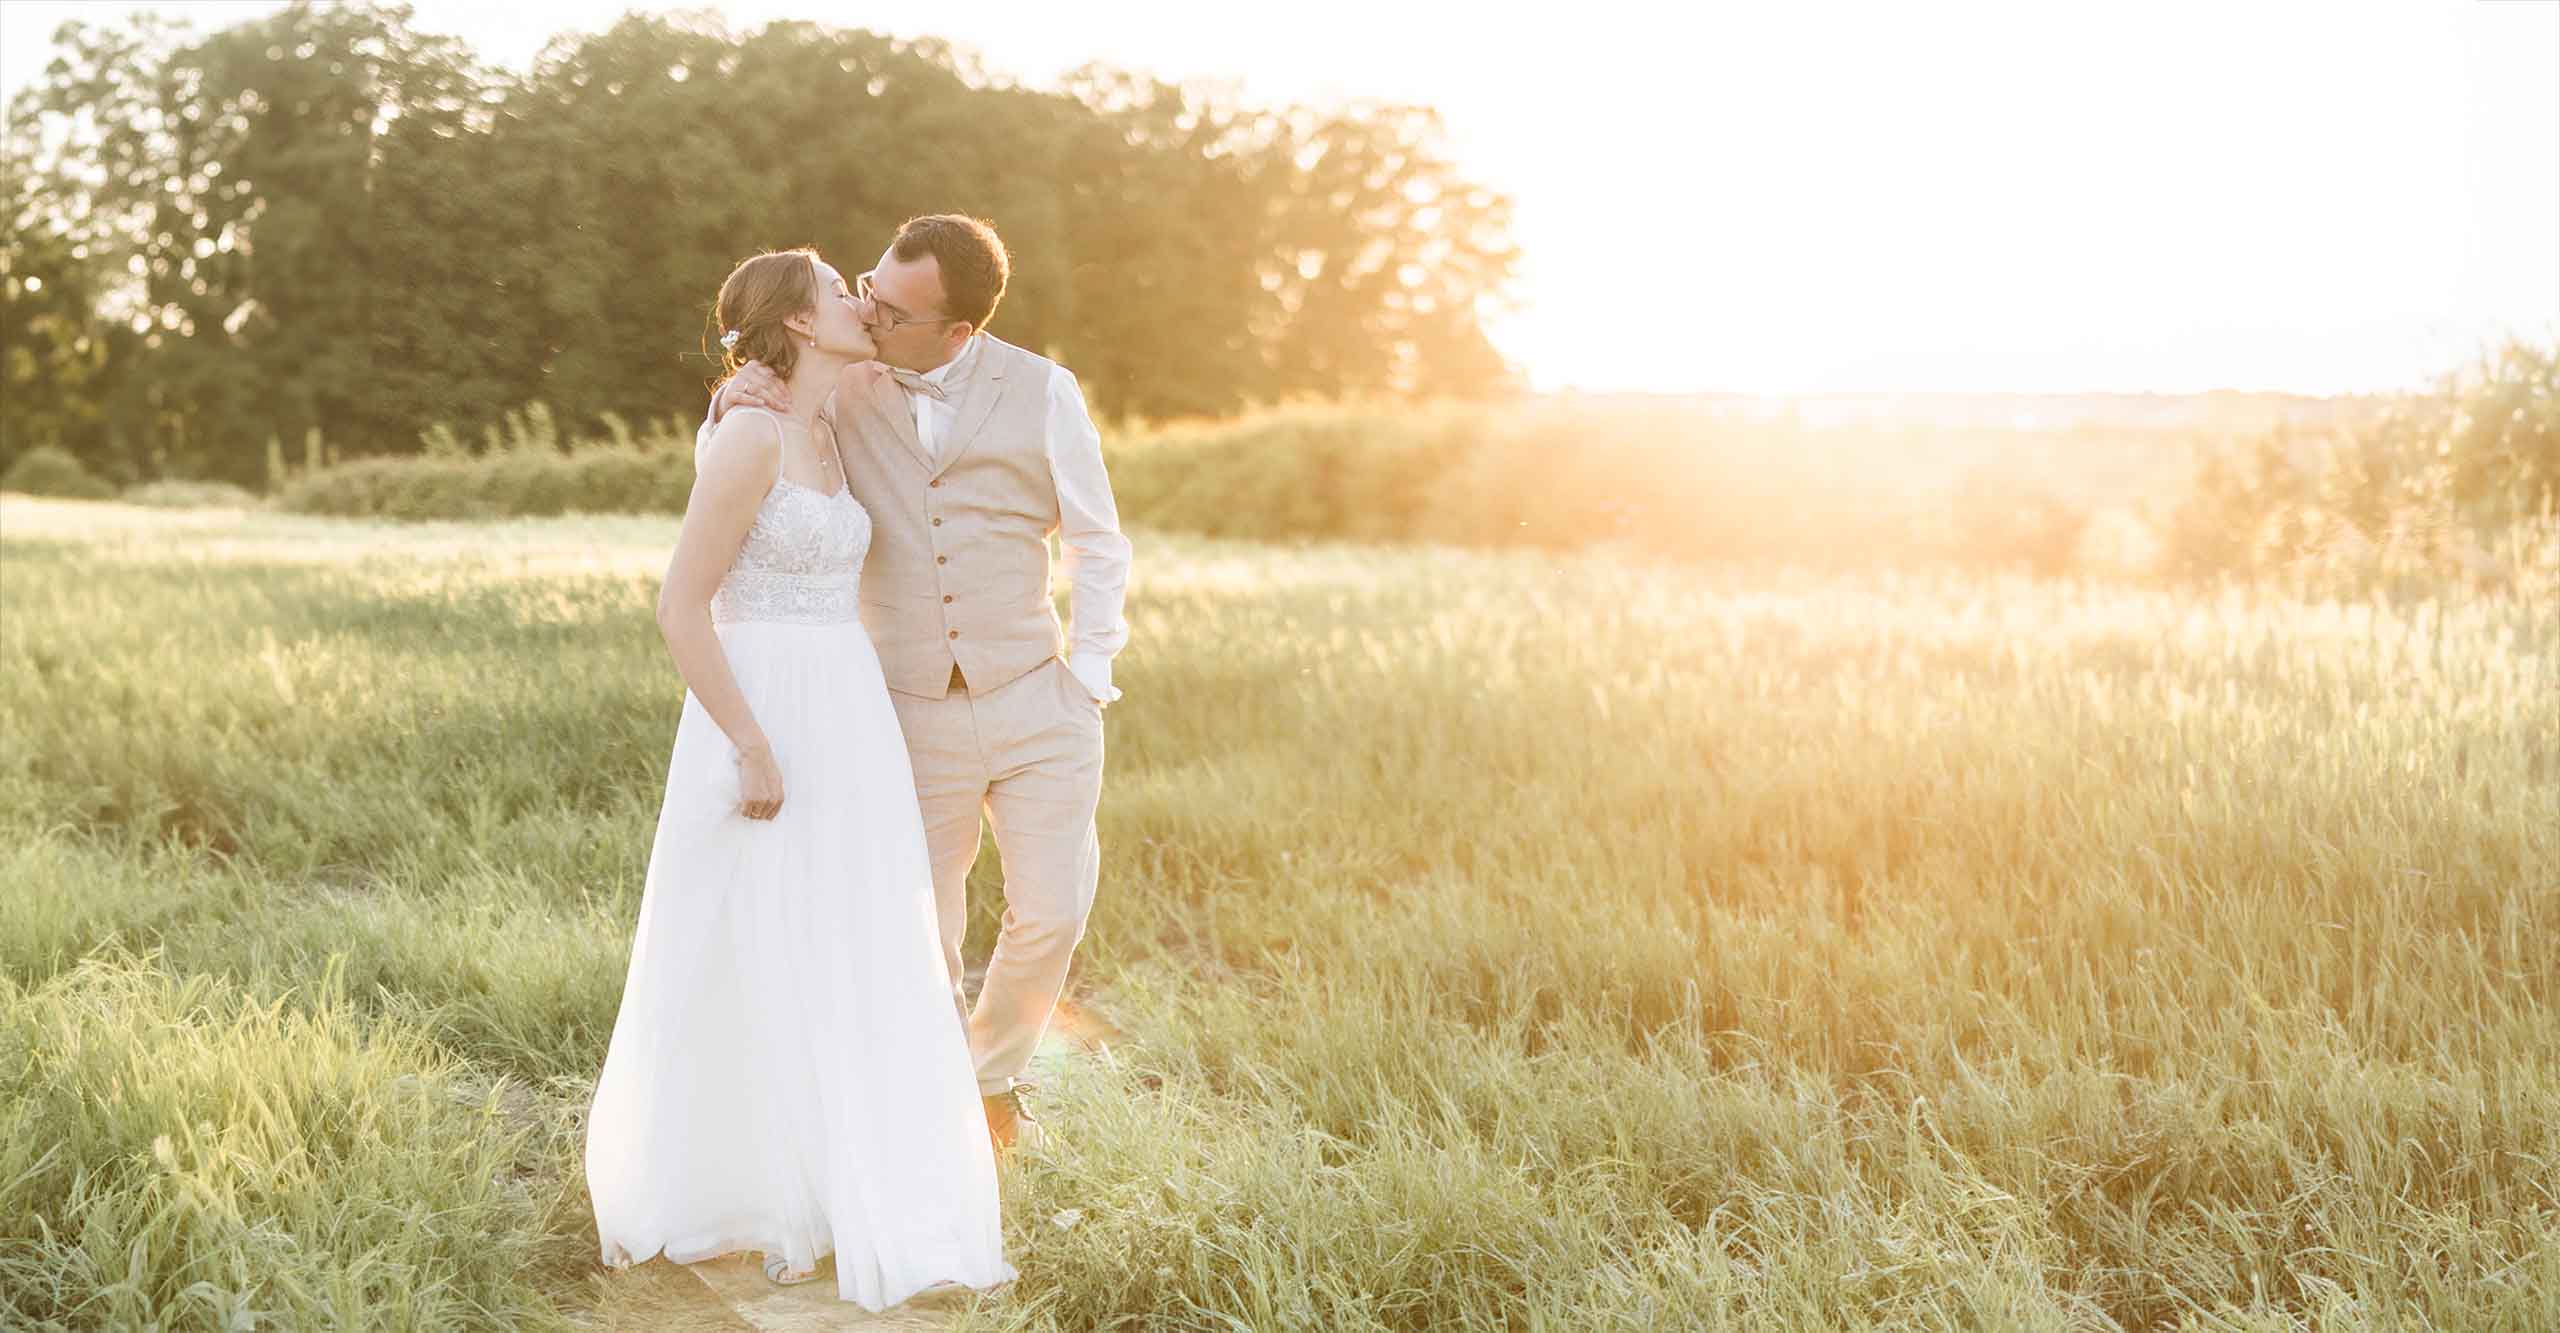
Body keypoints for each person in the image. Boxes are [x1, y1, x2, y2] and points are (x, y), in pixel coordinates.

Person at [586, 248, 1016, 1308]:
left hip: (848, 704)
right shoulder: (748, 433)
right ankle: (759, 1194)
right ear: (794, 320)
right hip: (761, 705)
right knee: (753, 933)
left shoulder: (837, 412)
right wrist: (752, 742)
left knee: (850, 934)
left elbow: (950, 363)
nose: (857, 301)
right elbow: (681, 605)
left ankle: (841, 1183)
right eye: (837, 289)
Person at [707, 214, 1132, 1153]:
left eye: (892, 308)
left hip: (1036, 693)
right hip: (901, 703)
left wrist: (1090, 673)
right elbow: (755, 442)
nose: (865, 308)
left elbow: (1099, 538)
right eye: (866, 285)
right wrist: (737, 385)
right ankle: (944, 1094)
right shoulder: (841, 379)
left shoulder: (1043, 391)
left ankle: (991, 1075)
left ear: (957, 330)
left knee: (1053, 909)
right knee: (920, 919)